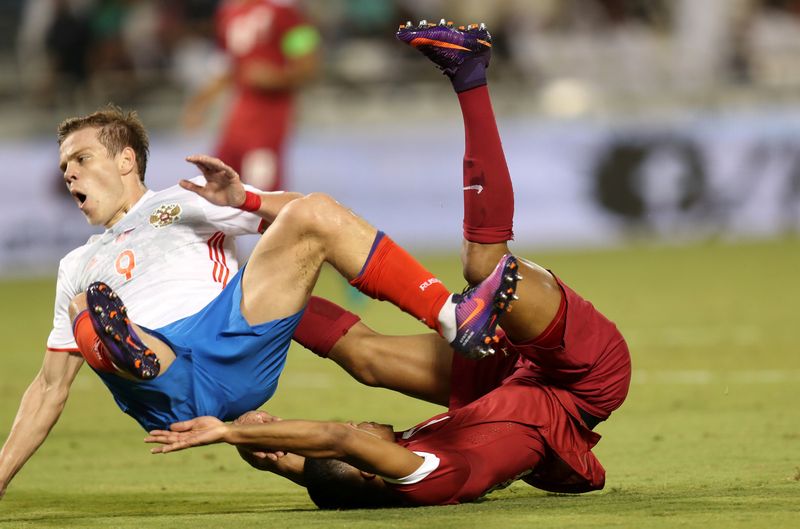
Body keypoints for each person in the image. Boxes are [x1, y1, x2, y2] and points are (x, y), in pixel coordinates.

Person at [145, 21, 632, 508]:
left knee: (365, 360)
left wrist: (277, 453)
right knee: (486, 268)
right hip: (583, 380)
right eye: (361, 434)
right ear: (369, 462)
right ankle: (470, 73)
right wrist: (229, 434)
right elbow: (341, 441)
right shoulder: (426, 476)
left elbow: (331, 467)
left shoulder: (383, 474)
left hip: (503, 383)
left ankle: (224, 284)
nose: (360, 424)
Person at [0, 102, 517, 500]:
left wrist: (246, 199)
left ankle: (451, 316)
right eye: (65, 164)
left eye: (82, 158)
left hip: (232, 342)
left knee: (313, 211)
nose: (68, 172)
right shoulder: (76, 264)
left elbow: (299, 215)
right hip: (170, 383)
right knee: (85, 308)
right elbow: (49, 388)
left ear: (126, 159)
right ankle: (129, 347)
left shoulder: (182, 201)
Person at [183, 0, 320, 190]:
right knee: (218, 183)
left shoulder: (284, 11)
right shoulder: (228, 14)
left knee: (262, 191)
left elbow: (308, 63)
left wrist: (278, 77)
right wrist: (200, 103)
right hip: (238, 117)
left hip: (270, 117)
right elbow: (226, 67)